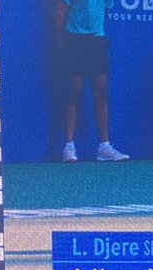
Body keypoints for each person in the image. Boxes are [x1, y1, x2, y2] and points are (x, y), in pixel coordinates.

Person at [55, 0, 129, 162]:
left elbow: (102, 11)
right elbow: (60, 12)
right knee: (74, 93)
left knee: (101, 92)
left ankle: (104, 147)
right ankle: (69, 147)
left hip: (97, 41)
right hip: (75, 40)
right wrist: (63, 42)